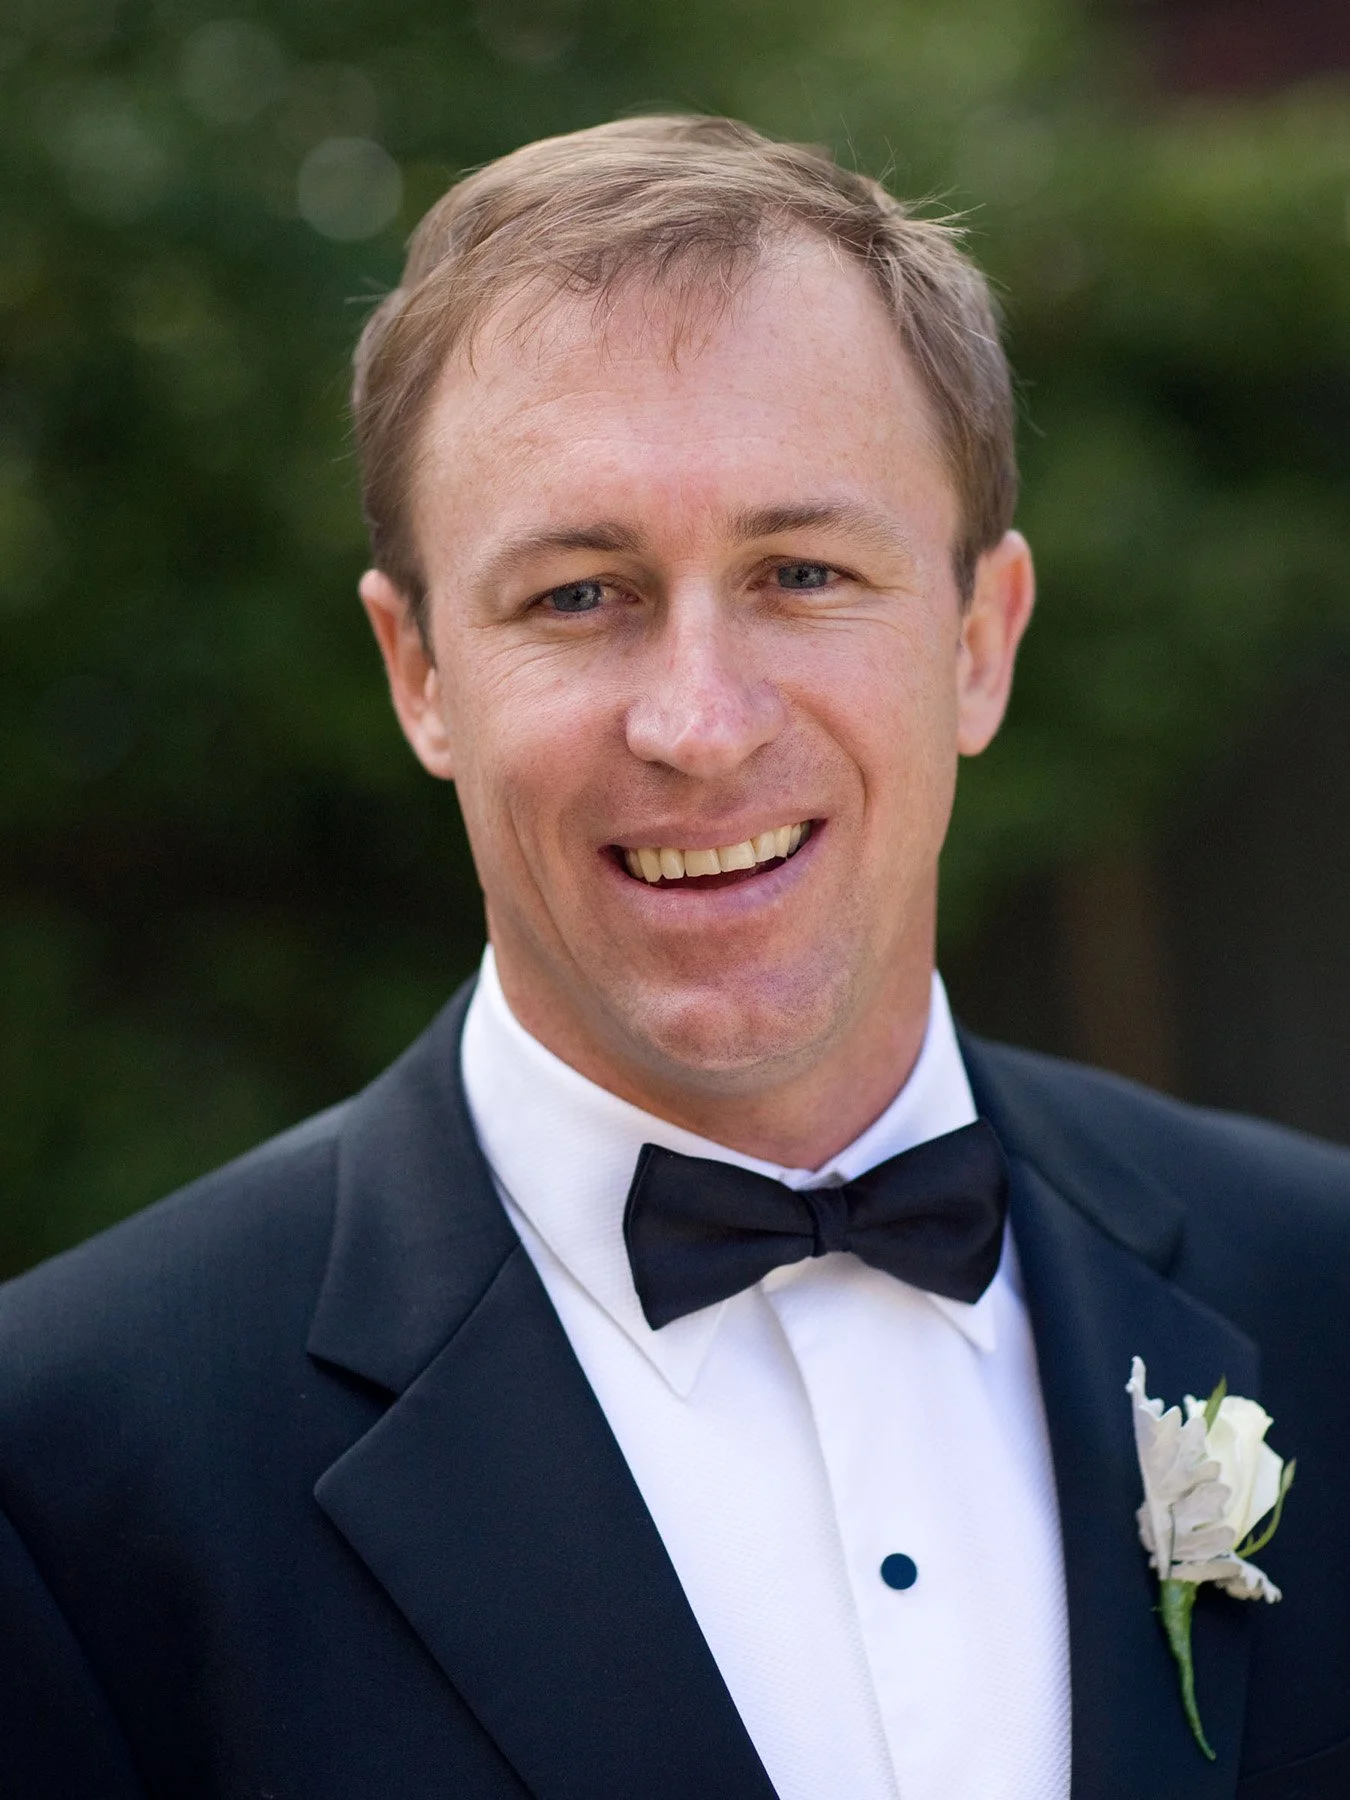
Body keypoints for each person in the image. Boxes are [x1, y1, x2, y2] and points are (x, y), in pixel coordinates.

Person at [2, 114, 1348, 1800]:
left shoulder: (1322, 1291)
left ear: (978, 641)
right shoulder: (67, 1470)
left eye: (801, 572)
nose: (698, 725)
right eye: (578, 594)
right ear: (417, 670)